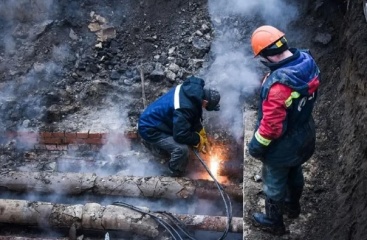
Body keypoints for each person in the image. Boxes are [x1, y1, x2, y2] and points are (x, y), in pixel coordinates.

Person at [248, 25, 320, 235]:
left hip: (283, 146)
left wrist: (256, 146)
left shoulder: (279, 86)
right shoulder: (307, 61)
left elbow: (271, 127)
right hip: (304, 134)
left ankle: (274, 223)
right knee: (295, 170)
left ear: (268, 55)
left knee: (274, 183)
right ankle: (292, 207)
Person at [138, 76, 220, 177]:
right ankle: (174, 173)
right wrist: (197, 139)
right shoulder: (184, 107)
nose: (204, 108)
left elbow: (191, 115)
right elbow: (180, 135)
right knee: (181, 149)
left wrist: (199, 130)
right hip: (149, 128)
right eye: (206, 107)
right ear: (205, 101)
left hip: (160, 120)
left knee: (186, 139)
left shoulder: (190, 92)